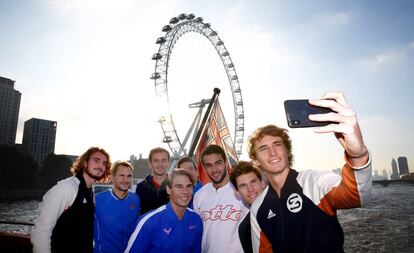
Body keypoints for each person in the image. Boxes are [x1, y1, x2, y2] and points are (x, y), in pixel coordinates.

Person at [247, 91, 372, 252]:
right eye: (264, 149)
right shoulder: (258, 208)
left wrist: (358, 154)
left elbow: (357, 196)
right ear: (256, 161)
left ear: (287, 151)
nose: (272, 153)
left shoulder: (315, 182)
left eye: (277, 145)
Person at [31, 147, 111, 253]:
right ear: (85, 162)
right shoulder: (66, 188)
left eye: (104, 163)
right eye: (96, 160)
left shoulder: (90, 192)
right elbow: (41, 232)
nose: (100, 166)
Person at [125, 168, 203, 253]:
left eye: (189, 186)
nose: (185, 191)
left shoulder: (196, 220)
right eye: (179, 187)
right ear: (168, 189)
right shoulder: (149, 222)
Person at [193, 144, 249, 253]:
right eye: (208, 165)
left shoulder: (242, 189)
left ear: (225, 162)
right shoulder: (199, 195)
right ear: (204, 168)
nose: (214, 170)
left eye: (218, 163)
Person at [94, 161, 140, 253]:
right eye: (121, 175)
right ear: (112, 177)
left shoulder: (135, 199)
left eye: (129, 176)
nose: (126, 180)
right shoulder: (97, 200)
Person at [229, 161, 267, 253]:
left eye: (253, 182)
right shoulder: (244, 229)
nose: (250, 189)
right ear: (238, 193)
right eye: (243, 186)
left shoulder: (282, 209)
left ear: (262, 183)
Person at [135, 147, 170, 214]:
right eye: (156, 161)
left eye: (164, 160)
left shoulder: (176, 185)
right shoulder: (141, 187)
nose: (160, 164)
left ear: (168, 163)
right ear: (150, 164)